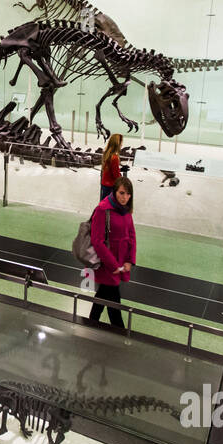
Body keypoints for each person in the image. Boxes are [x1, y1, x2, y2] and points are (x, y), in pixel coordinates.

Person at [87, 176, 137, 329]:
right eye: (122, 193)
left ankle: (91, 323)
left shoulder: (126, 211)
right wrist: (113, 265)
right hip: (107, 265)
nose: (125, 197)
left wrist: (129, 260)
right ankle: (120, 332)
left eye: (128, 194)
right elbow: (97, 241)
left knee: (104, 295)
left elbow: (132, 236)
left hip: (119, 264)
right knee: (114, 301)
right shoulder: (103, 209)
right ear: (115, 192)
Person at [100, 133, 123, 201]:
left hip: (105, 184)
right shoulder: (114, 157)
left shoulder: (107, 154)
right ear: (117, 143)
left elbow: (110, 170)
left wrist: (120, 169)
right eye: (121, 143)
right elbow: (116, 175)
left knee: (104, 204)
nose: (122, 145)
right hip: (111, 186)